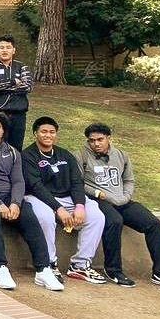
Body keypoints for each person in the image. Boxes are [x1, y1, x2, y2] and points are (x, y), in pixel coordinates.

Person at [0, 111, 61, 291]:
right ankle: (0, 268)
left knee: (30, 217)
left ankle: (43, 269)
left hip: (10, 196)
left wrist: (16, 203)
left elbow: (18, 181)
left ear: (3, 130)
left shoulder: (13, 152)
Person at [79, 123, 160, 290]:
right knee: (115, 221)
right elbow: (78, 182)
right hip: (99, 200)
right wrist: (98, 193)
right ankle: (114, 270)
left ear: (109, 138)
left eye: (100, 139)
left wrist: (126, 196)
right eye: (91, 140)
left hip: (122, 200)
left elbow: (128, 180)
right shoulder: (81, 156)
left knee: (154, 224)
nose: (96, 144)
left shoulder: (121, 155)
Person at [23, 117, 107, 284]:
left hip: (67, 197)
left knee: (97, 216)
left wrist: (80, 205)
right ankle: (49, 263)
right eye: (44, 131)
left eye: (52, 132)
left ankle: (80, 265)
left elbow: (76, 182)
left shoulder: (65, 155)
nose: (48, 135)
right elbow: (36, 186)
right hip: (38, 197)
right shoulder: (27, 156)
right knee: (45, 217)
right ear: (35, 134)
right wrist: (58, 208)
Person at [0, 36, 33, 150]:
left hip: (18, 115)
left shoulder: (22, 67)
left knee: (16, 148)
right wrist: (12, 82)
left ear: (13, 50)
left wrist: (0, 87)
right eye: (1, 47)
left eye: (8, 47)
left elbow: (27, 87)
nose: (5, 50)